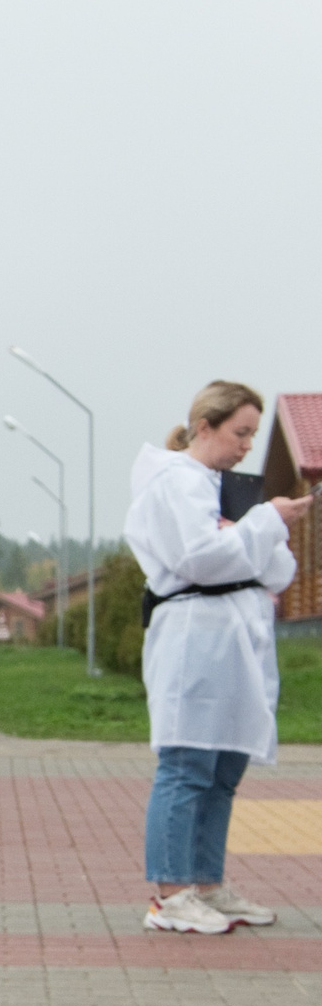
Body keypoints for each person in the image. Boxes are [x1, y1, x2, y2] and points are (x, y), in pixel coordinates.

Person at [126, 380, 310, 936]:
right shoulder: (175, 482)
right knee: (187, 763)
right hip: (195, 636)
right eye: (240, 433)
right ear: (204, 426)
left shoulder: (225, 489)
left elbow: (279, 571)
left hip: (237, 640)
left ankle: (207, 883)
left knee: (225, 768)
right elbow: (201, 559)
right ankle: (170, 893)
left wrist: (254, 532)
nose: (248, 446)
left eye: (253, 434)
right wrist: (264, 524)